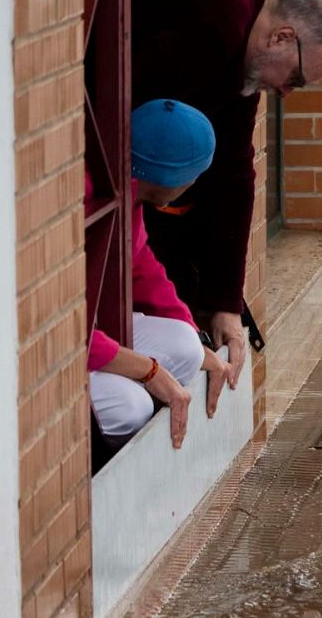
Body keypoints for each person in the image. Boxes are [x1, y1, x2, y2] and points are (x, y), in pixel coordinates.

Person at [131, 0, 322, 390]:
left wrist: (225, 301)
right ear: (283, 36)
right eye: (297, 78)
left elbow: (234, 171)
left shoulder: (242, 39)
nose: (287, 92)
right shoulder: (219, 23)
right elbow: (125, 121)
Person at [89, 99, 236, 449]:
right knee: (130, 406)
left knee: (186, 348)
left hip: (91, 335)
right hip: (57, 349)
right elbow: (63, 332)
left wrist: (202, 347)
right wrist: (149, 372)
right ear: (177, 179)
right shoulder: (91, 200)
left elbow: (144, 269)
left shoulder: (129, 197)